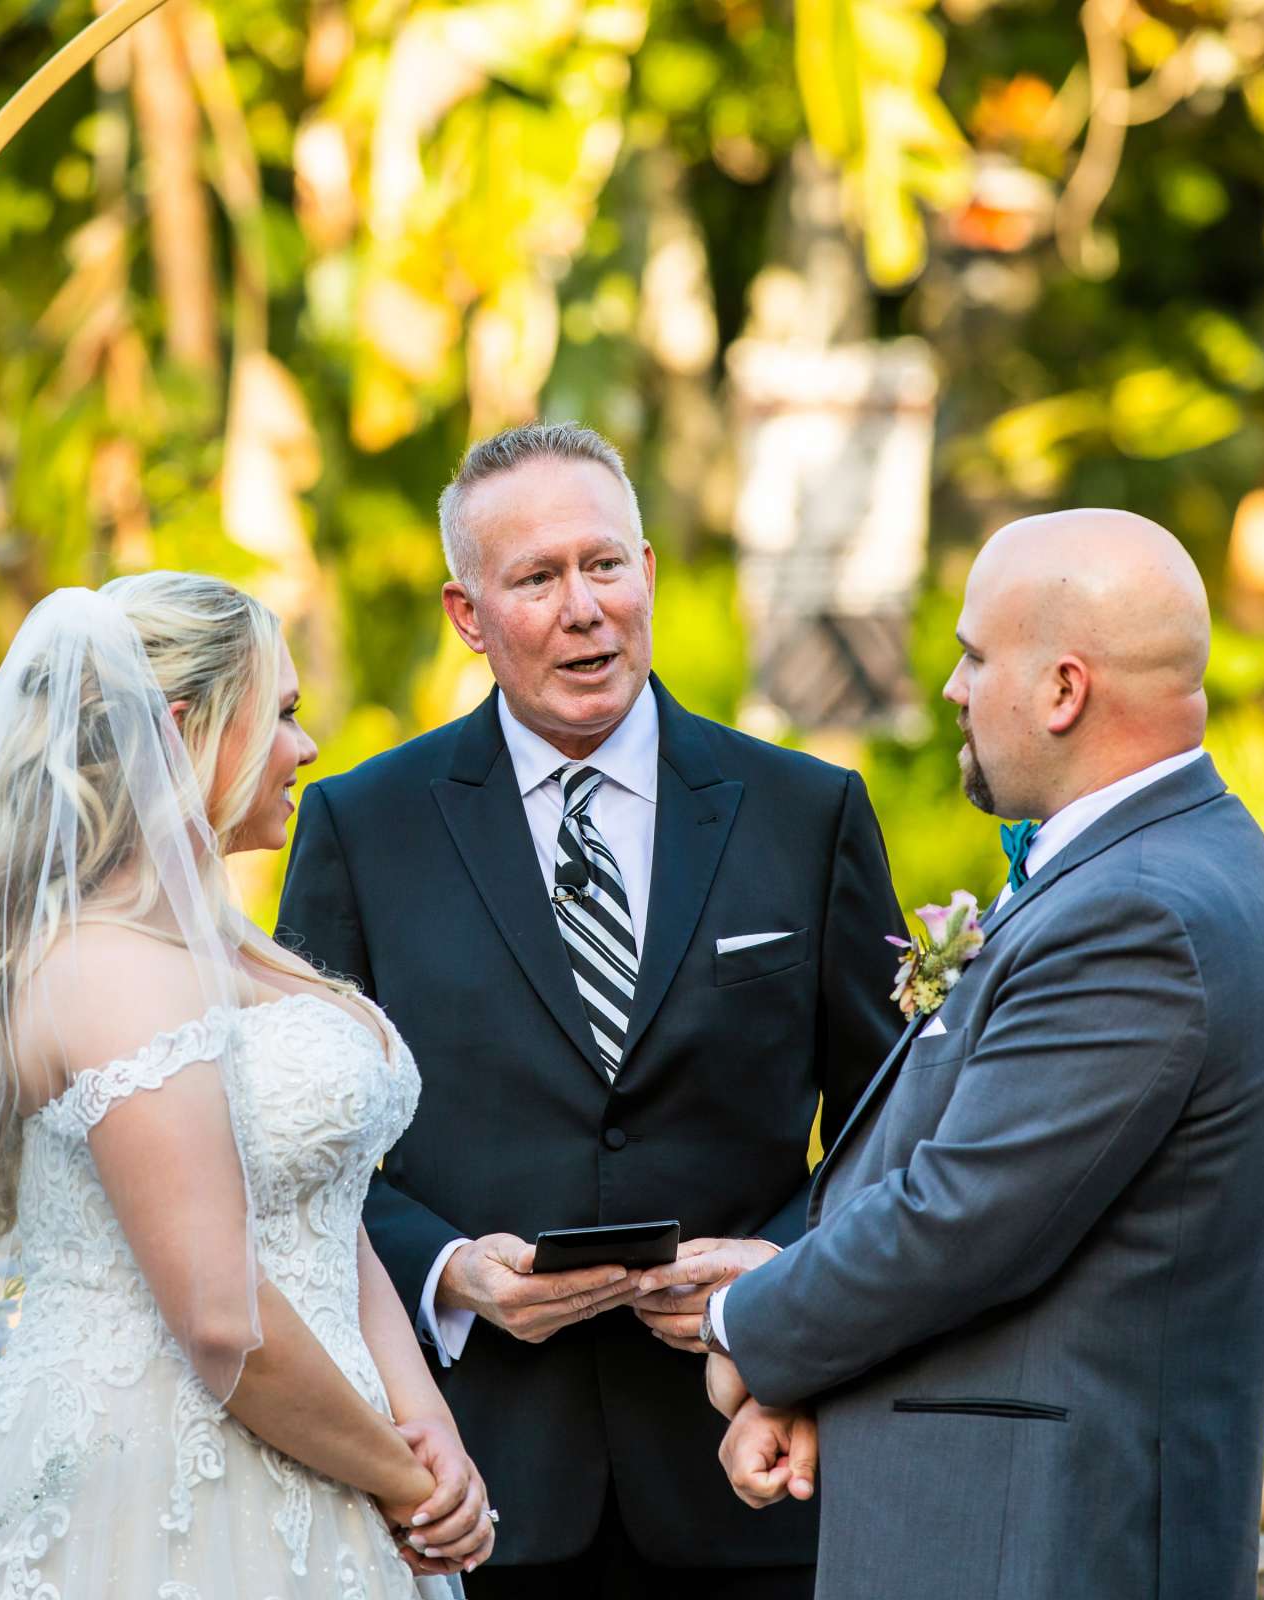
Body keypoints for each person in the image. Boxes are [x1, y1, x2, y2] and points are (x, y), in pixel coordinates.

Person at [277, 423, 906, 1598]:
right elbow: (306, 1151)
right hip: (470, 1484)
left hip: (754, 1474)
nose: (585, 609)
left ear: (650, 573)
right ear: (469, 614)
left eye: (605, 564)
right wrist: (450, 1270)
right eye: (538, 577)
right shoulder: (366, 830)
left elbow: (896, 1123)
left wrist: (778, 1267)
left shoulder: (805, 811)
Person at [0, 573, 495, 1598]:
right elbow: (222, 1322)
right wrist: (405, 1481)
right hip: (153, 1487)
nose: (304, 749)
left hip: (336, 1456)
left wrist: (433, 1432)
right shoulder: (107, 963)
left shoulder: (244, 952)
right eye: (279, 715)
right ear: (183, 730)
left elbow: (331, 1211)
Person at [702, 510, 1264, 1599]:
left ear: (1063, 690)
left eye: (976, 656)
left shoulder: (1137, 913)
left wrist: (742, 1326)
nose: (952, 686)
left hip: (1042, 1547)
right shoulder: (1156, 860)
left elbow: (962, 1219)